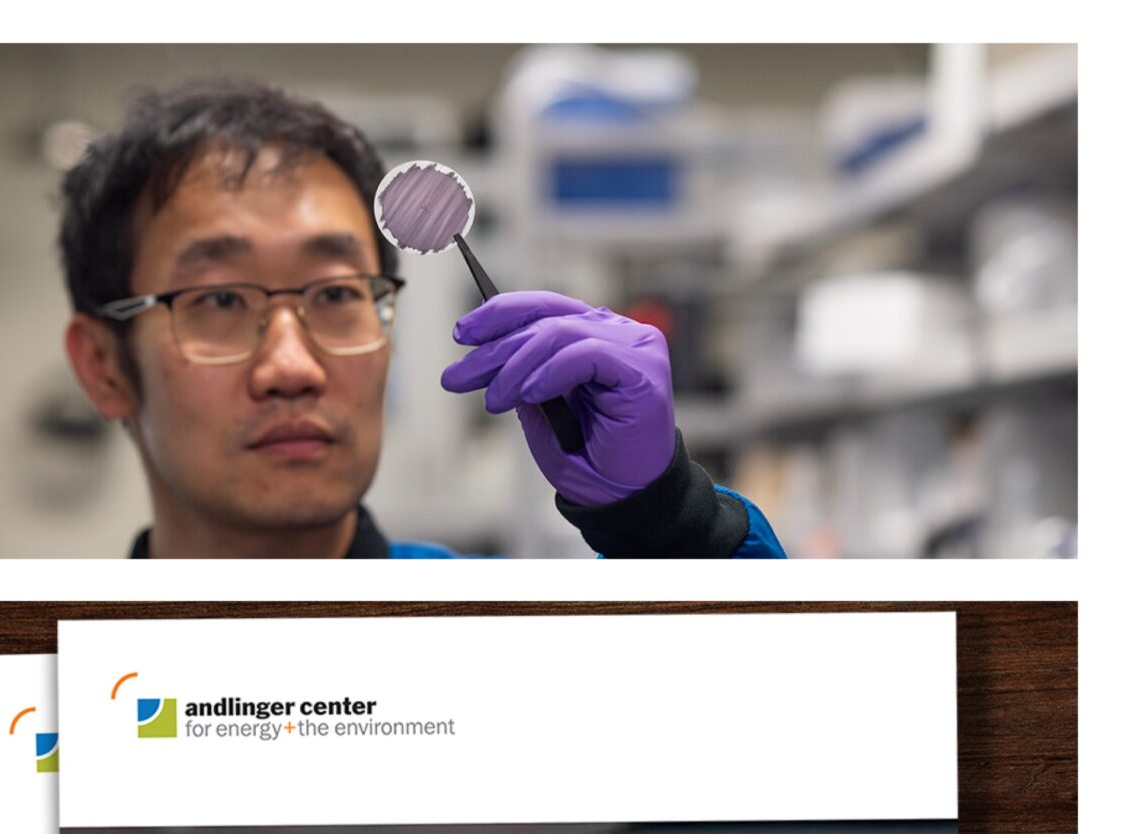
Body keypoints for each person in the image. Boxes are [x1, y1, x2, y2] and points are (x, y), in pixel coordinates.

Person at [56, 82, 783, 560]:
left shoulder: (499, 638)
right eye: (217, 300)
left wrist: (668, 522)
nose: (293, 366)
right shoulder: (48, 684)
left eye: (337, 294)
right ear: (103, 367)